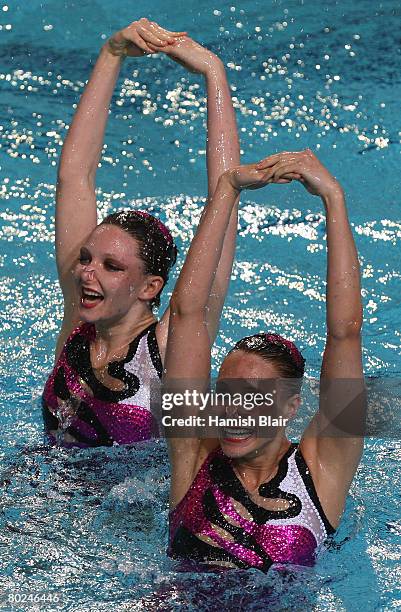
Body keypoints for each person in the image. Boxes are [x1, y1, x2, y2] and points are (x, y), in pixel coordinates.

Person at [163, 150, 365, 571]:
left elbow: (345, 333)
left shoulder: (320, 471)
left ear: (292, 406)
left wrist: (334, 197)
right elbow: (186, 314)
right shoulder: (194, 452)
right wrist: (227, 189)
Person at [42, 18, 240, 447]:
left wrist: (214, 73)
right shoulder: (79, 316)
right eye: (86, 258)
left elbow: (224, 205)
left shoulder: (173, 344)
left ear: (150, 286)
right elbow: (75, 178)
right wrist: (111, 53)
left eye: (112, 266)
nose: (86, 272)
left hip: (130, 513)